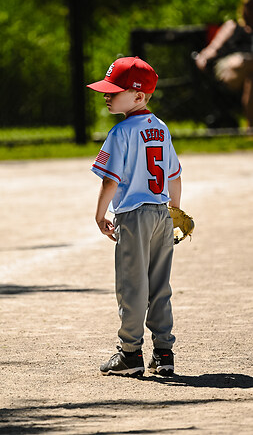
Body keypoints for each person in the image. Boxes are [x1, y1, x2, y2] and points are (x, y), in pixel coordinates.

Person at [87, 56, 182, 377]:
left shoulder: (120, 132)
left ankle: (130, 353)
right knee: (160, 284)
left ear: (139, 96)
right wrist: (176, 211)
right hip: (161, 213)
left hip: (133, 215)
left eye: (114, 90)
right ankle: (164, 351)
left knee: (132, 284)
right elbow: (175, 176)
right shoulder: (161, 128)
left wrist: (100, 215)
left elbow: (109, 179)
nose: (107, 94)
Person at [195, 0, 253, 127]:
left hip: (249, 74)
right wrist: (203, 57)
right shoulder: (232, 26)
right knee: (247, 62)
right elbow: (212, 49)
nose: (251, 9)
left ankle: (251, 127)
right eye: (249, 5)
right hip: (229, 69)